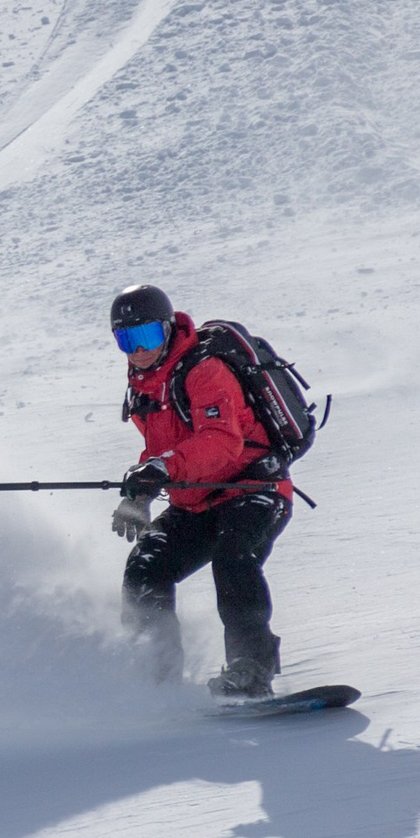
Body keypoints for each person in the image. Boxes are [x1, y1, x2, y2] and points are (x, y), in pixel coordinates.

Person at [107, 285, 296, 698]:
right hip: (198, 501)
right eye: (126, 340)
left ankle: (250, 669)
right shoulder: (145, 383)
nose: (138, 350)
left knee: (233, 558)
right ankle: (155, 674)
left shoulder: (205, 370)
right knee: (145, 567)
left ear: (168, 329)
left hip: (252, 489)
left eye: (147, 337)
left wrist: (162, 468)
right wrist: (139, 495)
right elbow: (163, 450)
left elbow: (220, 442)